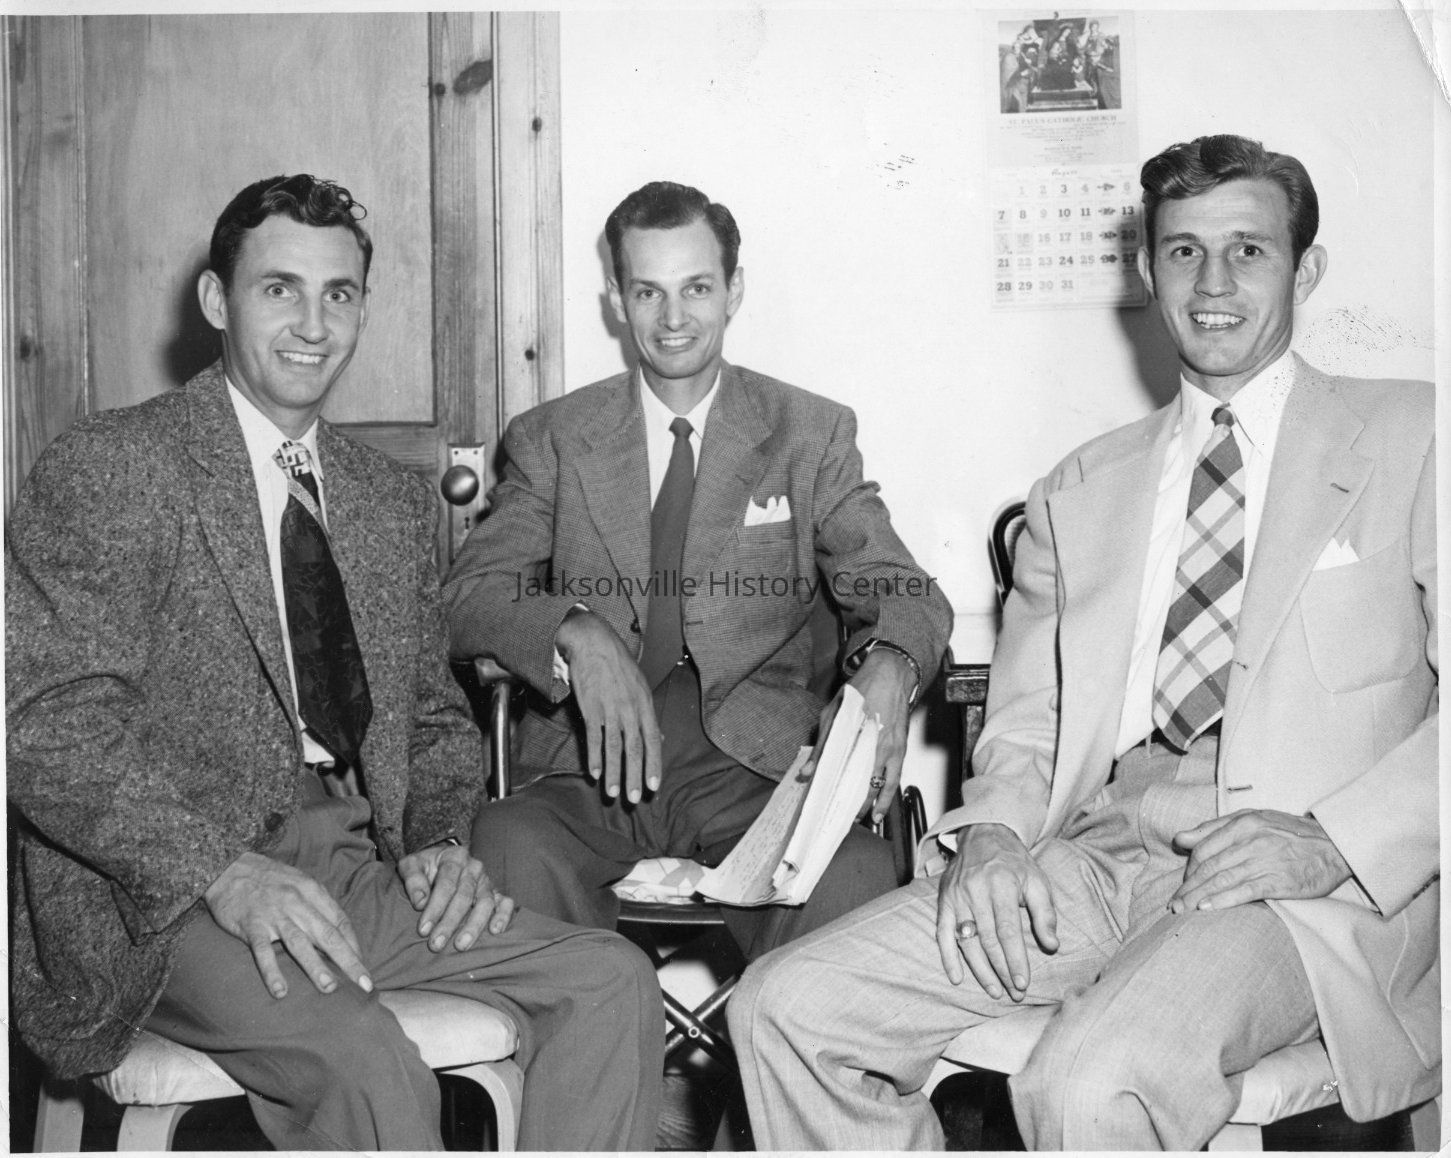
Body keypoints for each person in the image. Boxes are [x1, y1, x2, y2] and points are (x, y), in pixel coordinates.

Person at [728, 134, 1437, 1150]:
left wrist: (1327, 841)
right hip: (1098, 857)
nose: (1213, 281)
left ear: (1305, 269)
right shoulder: (1078, 487)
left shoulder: (1415, 438)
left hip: (1300, 887)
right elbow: (1026, 724)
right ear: (1146, 272)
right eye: (1183, 251)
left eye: (1247, 250)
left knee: (1086, 1082)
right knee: (785, 1010)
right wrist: (991, 837)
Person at [6, 174, 662, 1151]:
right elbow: (45, 724)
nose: (313, 325)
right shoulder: (118, 465)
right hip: (162, 895)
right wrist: (220, 871)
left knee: (609, 982)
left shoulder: (384, 499)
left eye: (339, 294)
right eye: (280, 289)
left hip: (349, 860)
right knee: (365, 1060)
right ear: (217, 300)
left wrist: (438, 840)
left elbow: (431, 720)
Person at [444, 180, 953, 963]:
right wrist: (575, 633)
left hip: (756, 775)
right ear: (615, 298)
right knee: (506, 845)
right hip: (585, 770)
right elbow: (468, 595)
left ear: (733, 290)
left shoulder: (807, 433)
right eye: (648, 291)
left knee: (853, 872)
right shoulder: (554, 438)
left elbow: (903, 587)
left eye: (696, 289)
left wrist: (890, 662)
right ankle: (590, 1042)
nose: (672, 318)